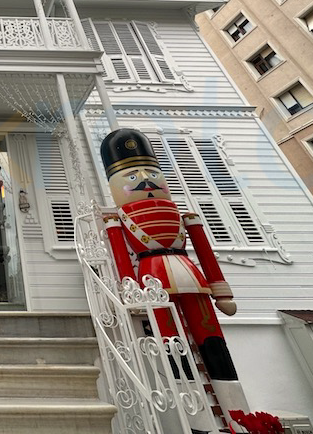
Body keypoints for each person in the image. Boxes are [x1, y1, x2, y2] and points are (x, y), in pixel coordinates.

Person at [100, 128, 249, 434]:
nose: (145, 181)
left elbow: (204, 252)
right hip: (152, 278)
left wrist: (221, 291)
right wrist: (129, 290)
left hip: (189, 276)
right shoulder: (120, 219)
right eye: (132, 177)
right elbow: (118, 254)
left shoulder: (181, 214)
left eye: (151, 173)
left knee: (211, 339)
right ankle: (194, 420)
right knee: (170, 344)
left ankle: (238, 415)